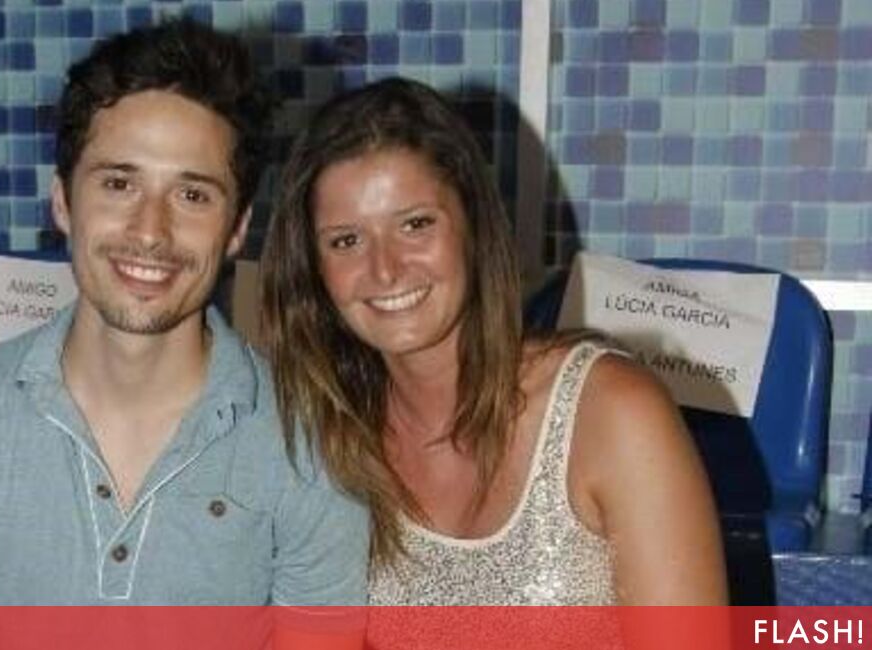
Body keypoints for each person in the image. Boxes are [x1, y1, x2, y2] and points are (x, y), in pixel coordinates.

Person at [0, 20, 368, 650]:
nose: (150, 230)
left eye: (192, 194)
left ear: (237, 228)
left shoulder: (311, 441)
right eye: (118, 184)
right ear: (62, 201)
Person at [261, 77, 726, 607]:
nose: (385, 269)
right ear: (313, 268)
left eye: (415, 225)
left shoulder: (611, 412)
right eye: (346, 240)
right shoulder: (325, 437)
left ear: (474, 227)